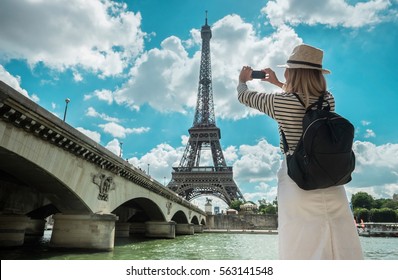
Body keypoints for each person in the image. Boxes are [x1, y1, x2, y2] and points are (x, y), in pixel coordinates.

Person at [237, 44, 363, 260]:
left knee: (300, 239)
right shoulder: (328, 100)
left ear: (291, 72)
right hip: (331, 177)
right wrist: (277, 83)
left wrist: (242, 80)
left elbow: (244, 97)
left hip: (298, 177)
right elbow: (305, 98)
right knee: (339, 237)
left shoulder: (278, 102)